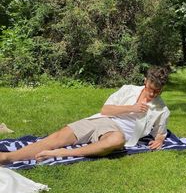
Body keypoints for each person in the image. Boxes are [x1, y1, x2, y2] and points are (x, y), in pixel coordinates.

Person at [0, 66, 170, 165]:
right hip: (101, 120)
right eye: (150, 89)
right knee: (58, 136)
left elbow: (160, 133)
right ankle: (8, 157)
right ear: (145, 81)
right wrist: (131, 108)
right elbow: (106, 110)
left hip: (117, 132)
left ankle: (60, 153)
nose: (153, 94)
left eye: (158, 91)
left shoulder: (161, 109)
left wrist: (160, 140)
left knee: (116, 141)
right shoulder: (128, 90)